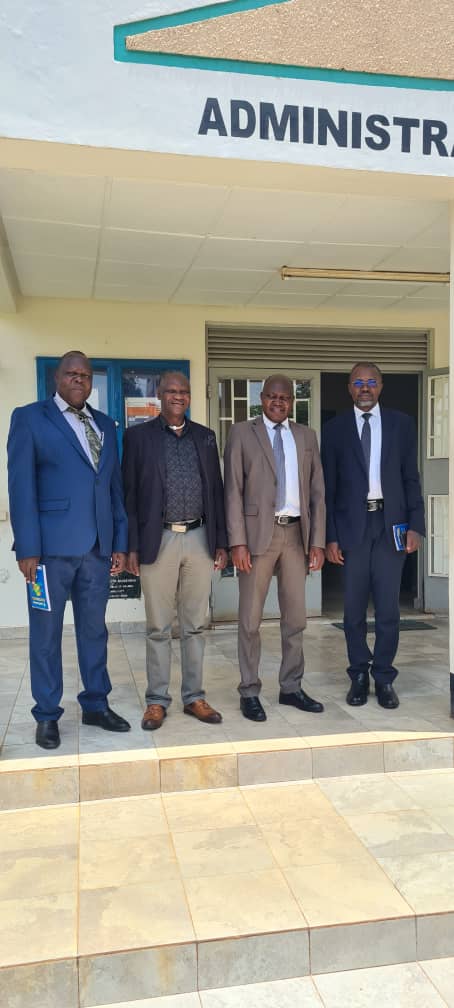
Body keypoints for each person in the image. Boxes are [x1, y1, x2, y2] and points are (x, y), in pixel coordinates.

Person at [7, 351, 130, 750]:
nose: (79, 379)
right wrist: (27, 546)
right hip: (48, 553)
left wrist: (118, 542)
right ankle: (46, 714)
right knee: (46, 634)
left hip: (96, 549)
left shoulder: (105, 426)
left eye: (85, 375)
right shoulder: (29, 418)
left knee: (95, 630)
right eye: (71, 373)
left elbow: (113, 489)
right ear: (56, 378)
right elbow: (20, 487)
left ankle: (95, 703)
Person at [122, 371, 228, 730]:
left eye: (184, 391)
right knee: (158, 626)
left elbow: (217, 491)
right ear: (159, 395)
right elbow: (130, 496)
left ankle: (194, 697)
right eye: (171, 391)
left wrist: (221, 542)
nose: (178, 396)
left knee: (196, 624)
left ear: (189, 397)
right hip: (158, 540)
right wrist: (132, 546)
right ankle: (156, 701)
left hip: (199, 537)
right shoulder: (138, 438)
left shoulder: (206, 437)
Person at [321, 362, 425, 710]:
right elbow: (329, 488)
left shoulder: (400, 424)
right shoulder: (334, 430)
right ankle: (358, 675)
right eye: (358, 383)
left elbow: (411, 477)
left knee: (387, 610)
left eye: (371, 382)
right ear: (349, 388)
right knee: (352, 611)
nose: (364, 388)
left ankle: (383, 677)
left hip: (390, 525)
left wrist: (416, 525)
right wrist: (330, 536)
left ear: (380, 387)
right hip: (352, 529)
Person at [223, 374, 326, 722]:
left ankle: (291, 687)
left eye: (284, 398)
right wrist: (237, 541)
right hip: (255, 539)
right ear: (261, 398)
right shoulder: (241, 433)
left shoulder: (306, 436)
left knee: (296, 618)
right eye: (271, 396)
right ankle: (249, 690)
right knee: (250, 619)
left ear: (292, 402)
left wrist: (318, 542)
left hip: (296, 536)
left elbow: (317, 494)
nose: (278, 402)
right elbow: (233, 492)